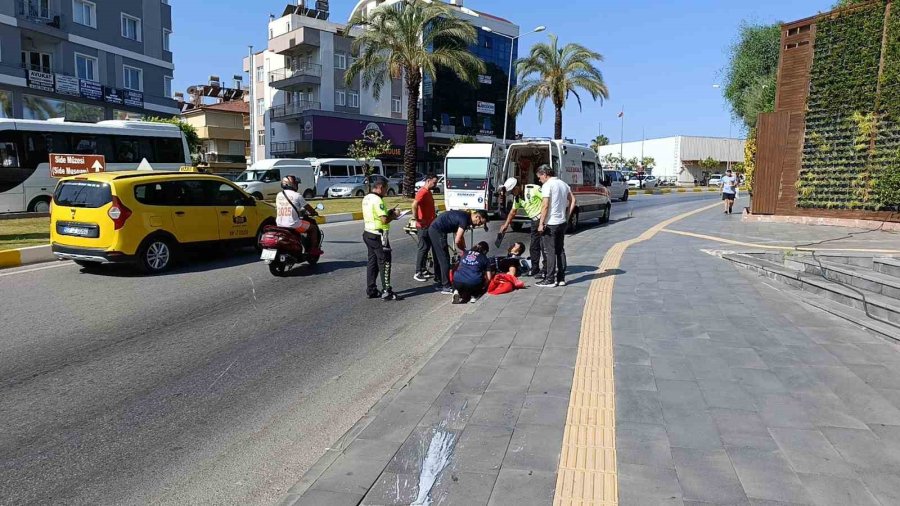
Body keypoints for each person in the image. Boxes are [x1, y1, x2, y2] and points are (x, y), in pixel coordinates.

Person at [428, 209, 488, 295]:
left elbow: (459, 235)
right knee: (444, 259)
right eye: (480, 222)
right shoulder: (465, 219)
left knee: (438, 257)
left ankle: (439, 281)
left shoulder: (465, 217)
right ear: (477, 217)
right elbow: (457, 240)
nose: (479, 225)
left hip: (434, 229)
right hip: (437, 231)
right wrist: (464, 251)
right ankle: (446, 286)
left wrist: (464, 250)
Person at [536, 165, 575, 288]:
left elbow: (545, 205)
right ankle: (561, 278)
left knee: (550, 252)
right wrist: (567, 216)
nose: (539, 180)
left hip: (551, 223)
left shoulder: (547, 185)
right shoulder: (563, 184)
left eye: (539, 177)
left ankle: (550, 279)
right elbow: (573, 200)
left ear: (545, 174)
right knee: (560, 250)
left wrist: (541, 223)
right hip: (562, 222)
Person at [362, 180, 401, 301]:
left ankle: (371, 289)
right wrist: (394, 216)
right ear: (379, 188)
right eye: (385, 189)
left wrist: (388, 212)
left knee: (372, 262)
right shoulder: (378, 200)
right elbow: (384, 220)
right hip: (379, 235)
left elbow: (376, 215)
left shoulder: (367, 198)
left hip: (368, 233)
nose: (386, 192)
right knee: (385, 262)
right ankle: (386, 290)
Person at [498, 177, 545, 277]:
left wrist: (544, 219)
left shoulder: (533, 189)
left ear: (517, 187)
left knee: (543, 245)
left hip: (542, 219)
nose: (512, 194)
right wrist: (506, 225)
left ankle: (546, 269)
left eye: (512, 191)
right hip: (534, 221)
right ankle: (535, 268)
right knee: (533, 246)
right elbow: (513, 212)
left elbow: (547, 200)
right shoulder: (518, 198)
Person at [275, 175, 322, 256]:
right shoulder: (297, 195)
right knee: (313, 228)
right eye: (296, 184)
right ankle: (314, 249)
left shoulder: (279, 195)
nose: (297, 186)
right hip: (294, 224)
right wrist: (314, 212)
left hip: (279, 224)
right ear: (292, 184)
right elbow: (308, 208)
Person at [410, 173, 438, 282]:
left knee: (426, 248)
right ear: (428, 181)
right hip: (422, 226)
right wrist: (416, 218)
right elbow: (414, 204)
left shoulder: (428, 192)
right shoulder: (422, 192)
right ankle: (418, 272)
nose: (435, 184)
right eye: (434, 182)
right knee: (422, 248)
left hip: (429, 224)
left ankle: (423, 269)